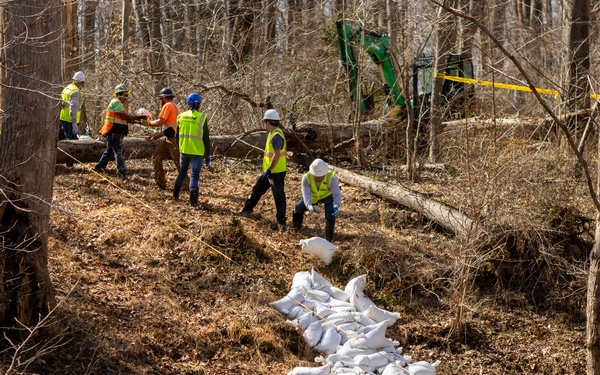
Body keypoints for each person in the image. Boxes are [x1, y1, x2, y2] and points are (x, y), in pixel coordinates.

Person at [240, 109, 287, 230]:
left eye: (264, 122)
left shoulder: (276, 136)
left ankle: (281, 222)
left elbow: (276, 155)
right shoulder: (273, 133)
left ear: (268, 122)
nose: (264, 124)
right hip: (269, 171)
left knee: (278, 197)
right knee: (257, 190)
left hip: (275, 172)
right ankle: (247, 210)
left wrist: (269, 170)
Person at [94, 84, 147, 179]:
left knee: (109, 150)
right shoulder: (115, 102)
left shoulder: (120, 105)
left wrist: (138, 121)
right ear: (119, 94)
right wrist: (137, 117)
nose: (126, 98)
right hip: (113, 132)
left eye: (127, 95)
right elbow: (124, 117)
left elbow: (125, 119)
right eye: (125, 95)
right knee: (119, 152)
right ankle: (121, 173)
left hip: (115, 132)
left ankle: (99, 168)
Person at [173, 93, 211, 206]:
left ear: (188, 104)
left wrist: (179, 146)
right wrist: (208, 154)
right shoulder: (202, 117)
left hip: (184, 150)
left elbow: (177, 135)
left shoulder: (181, 116)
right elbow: (206, 138)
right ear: (199, 104)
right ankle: (193, 203)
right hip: (197, 152)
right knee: (194, 175)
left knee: (182, 173)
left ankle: (175, 196)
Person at [292, 158, 341, 243]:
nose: (319, 178)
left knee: (330, 215)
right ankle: (296, 229)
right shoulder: (306, 178)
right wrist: (309, 206)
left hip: (327, 197)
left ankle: (328, 239)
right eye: (316, 176)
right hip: (313, 197)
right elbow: (306, 194)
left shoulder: (331, 178)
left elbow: (337, 194)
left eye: (321, 176)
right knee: (298, 208)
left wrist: (336, 205)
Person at [145, 87, 185, 189]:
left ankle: (186, 186)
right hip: (170, 137)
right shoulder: (175, 106)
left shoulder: (167, 105)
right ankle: (160, 184)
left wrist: (148, 123)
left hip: (173, 139)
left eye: (161, 99)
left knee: (178, 163)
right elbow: (169, 129)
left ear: (163, 98)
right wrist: (156, 137)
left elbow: (160, 122)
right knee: (156, 157)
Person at [59, 71, 85, 141]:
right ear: (80, 82)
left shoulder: (67, 88)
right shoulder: (75, 92)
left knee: (61, 141)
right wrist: (74, 124)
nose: (82, 86)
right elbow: (73, 108)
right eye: (82, 84)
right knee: (73, 142)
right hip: (70, 121)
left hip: (62, 118)